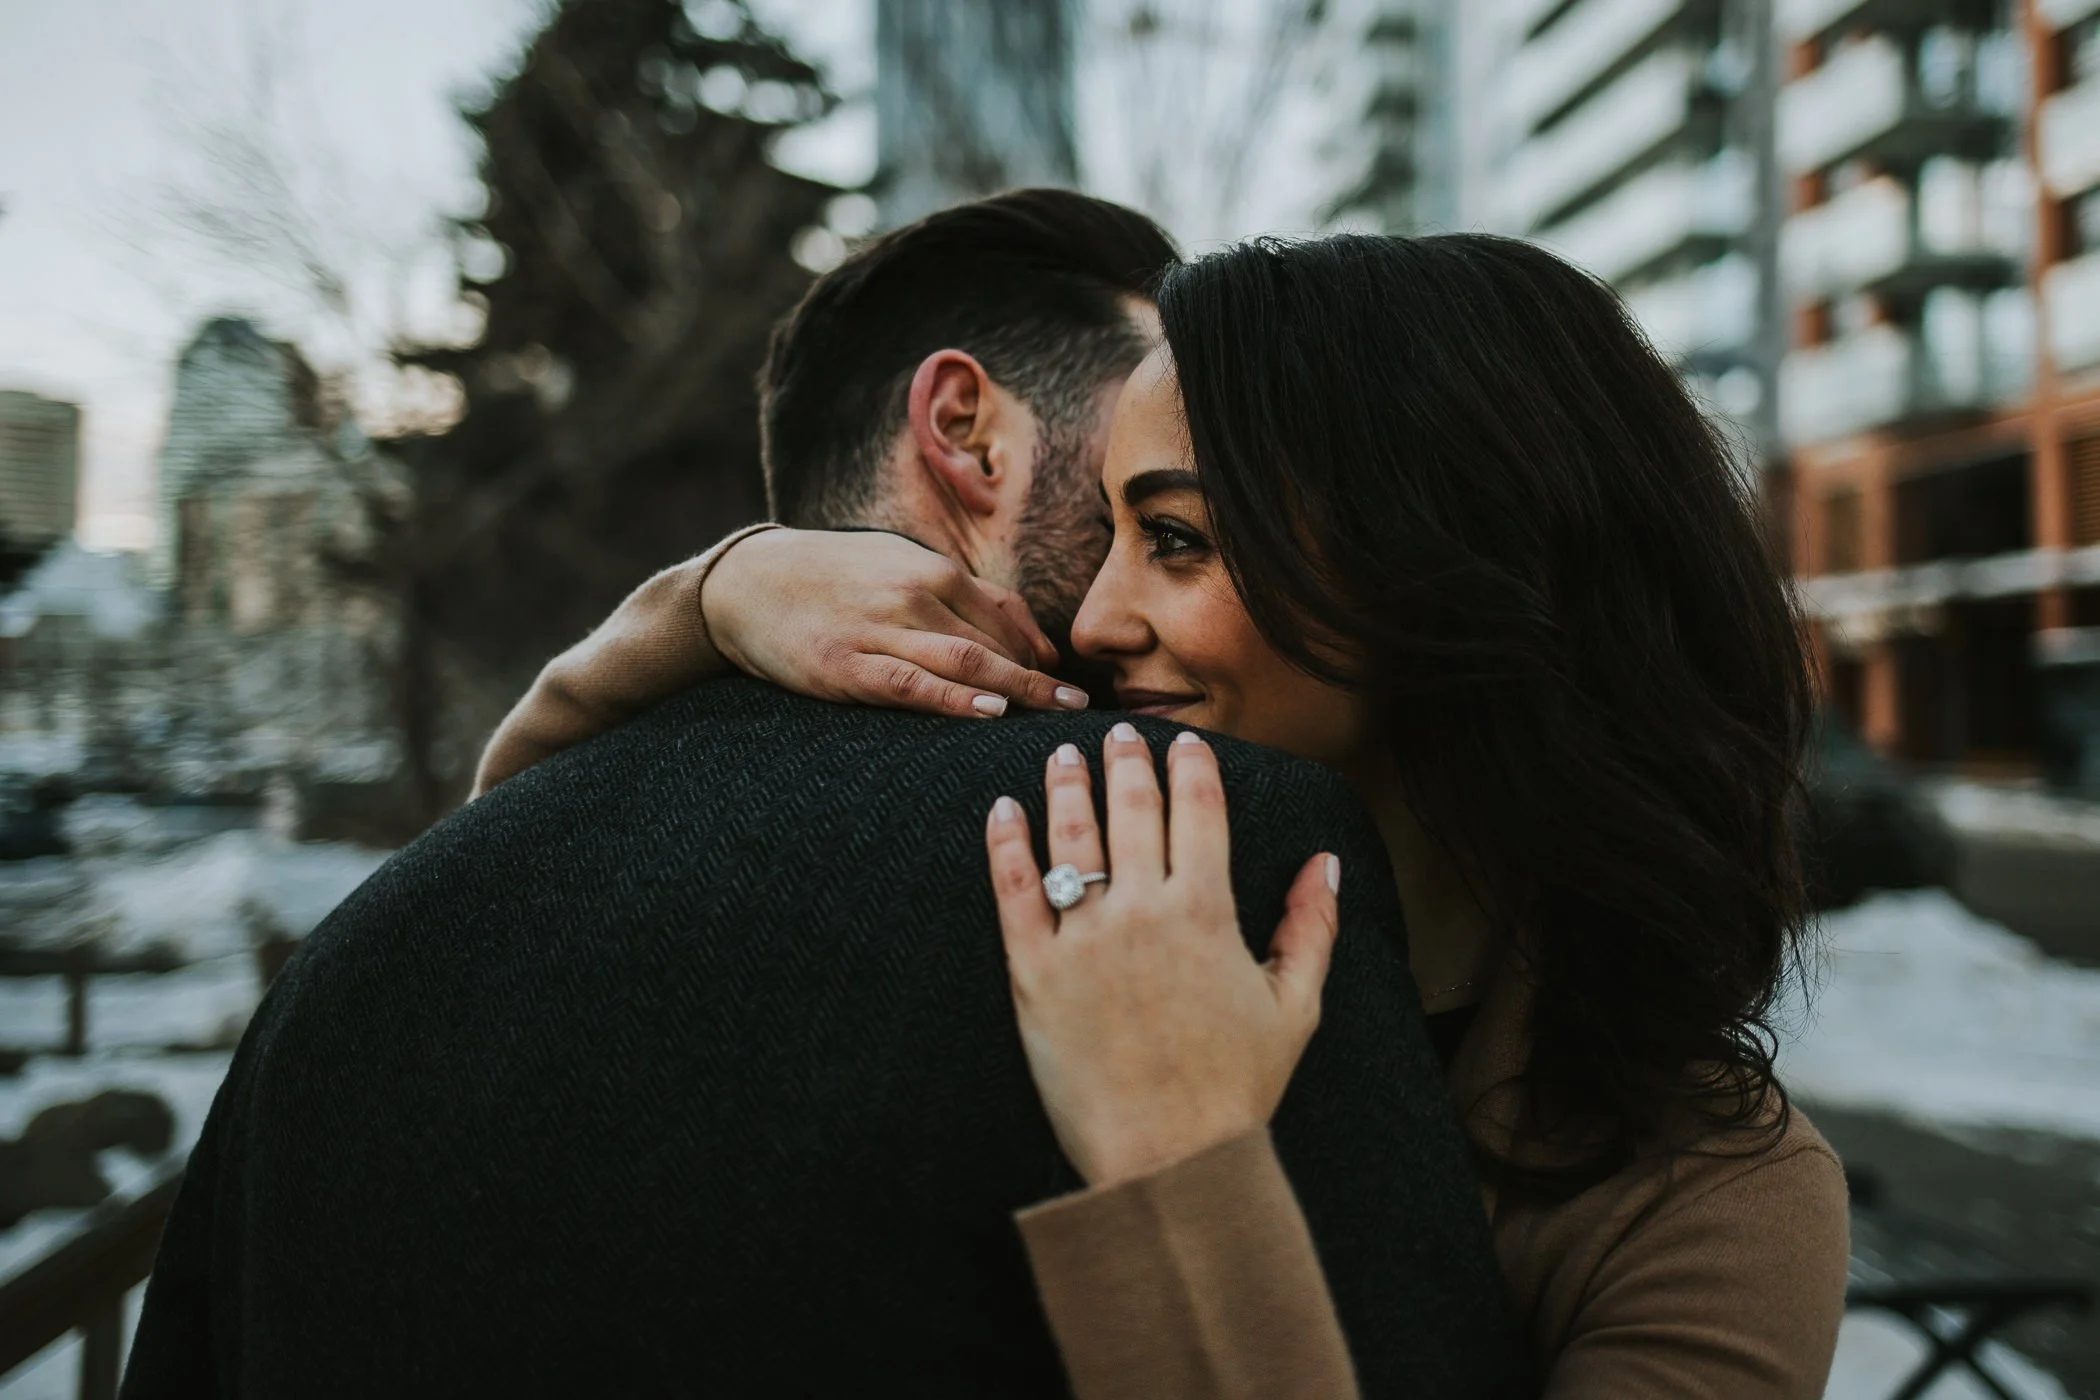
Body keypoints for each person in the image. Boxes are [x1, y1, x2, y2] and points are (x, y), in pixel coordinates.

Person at [121, 194, 1525, 1399]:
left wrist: (708, 591)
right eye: (1143, 496)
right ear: (965, 431)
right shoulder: (1190, 848)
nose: (1119, 600)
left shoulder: (365, 951)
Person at [475, 232, 1855, 1397]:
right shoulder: (1053, 824)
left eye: (1178, 538)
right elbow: (522, 891)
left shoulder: (1710, 1200)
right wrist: (718, 597)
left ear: (1444, 562)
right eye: (1116, 532)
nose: (1098, 613)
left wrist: (1180, 1170)